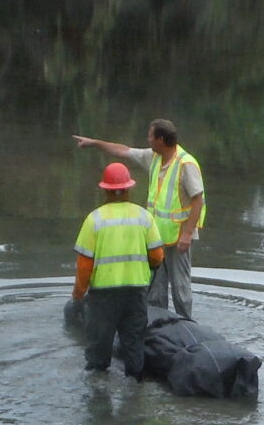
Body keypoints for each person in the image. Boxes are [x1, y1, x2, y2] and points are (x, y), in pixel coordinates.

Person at [73, 118, 203, 318]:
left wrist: (187, 234)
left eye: (150, 136)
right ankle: (157, 325)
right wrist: (95, 143)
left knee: (181, 288)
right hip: (157, 238)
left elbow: (198, 200)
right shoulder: (154, 157)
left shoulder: (186, 164)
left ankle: (187, 326)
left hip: (178, 238)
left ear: (160, 139)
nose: (147, 139)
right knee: (156, 288)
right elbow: (123, 150)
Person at [72, 162, 167, 375]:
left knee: (99, 348)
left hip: (103, 296)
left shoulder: (94, 219)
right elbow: (157, 256)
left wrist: (78, 295)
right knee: (134, 346)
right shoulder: (143, 217)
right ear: (129, 189)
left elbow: (84, 266)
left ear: (105, 190)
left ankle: (98, 395)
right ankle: (135, 392)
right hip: (136, 294)